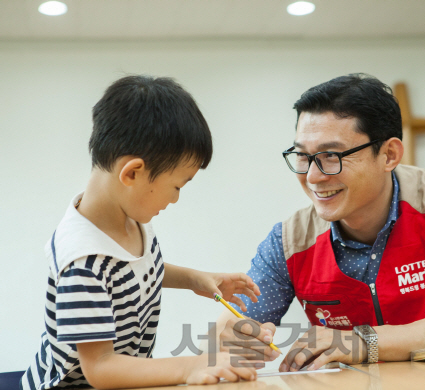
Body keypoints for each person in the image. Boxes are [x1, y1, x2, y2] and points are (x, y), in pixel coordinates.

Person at [212, 73, 425, 371]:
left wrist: (363, 341)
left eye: (331, 155)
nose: (313, 177)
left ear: (389, 154)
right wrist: (230, 338)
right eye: (303, 156)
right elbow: (232, 327)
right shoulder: (290, 241)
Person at [20, 75, 263, 389]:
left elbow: (135, 271)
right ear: (132, 173)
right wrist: (193, 366)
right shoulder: (83, 261)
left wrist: (194, 279)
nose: (176, 198)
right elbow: (100, 368)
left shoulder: (128, 217)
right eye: (176, 186)